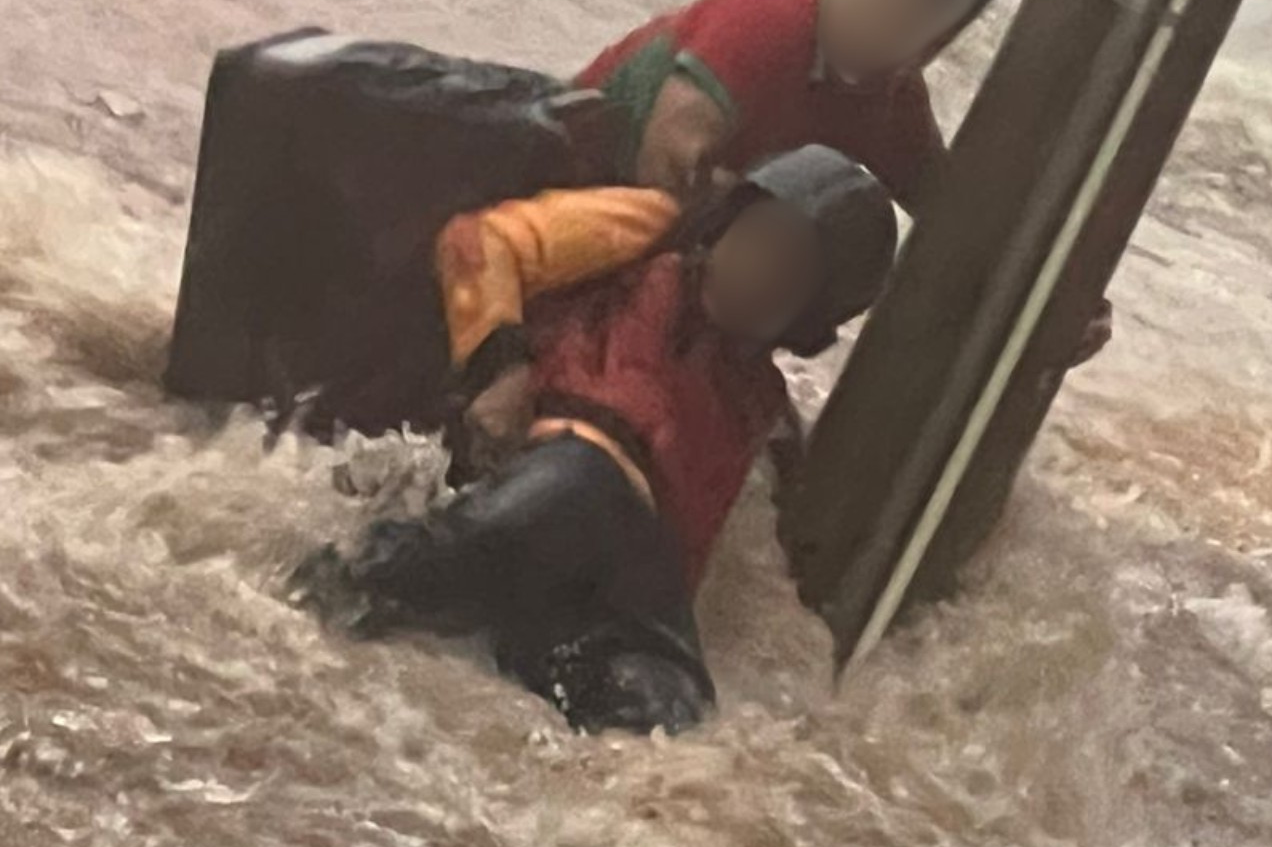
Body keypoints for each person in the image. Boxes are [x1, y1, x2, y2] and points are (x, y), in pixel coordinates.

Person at [290, 146, 900, 734]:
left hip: (628, 584)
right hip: (558, 489)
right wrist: (502, 369)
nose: (760, 274)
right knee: (546, 502)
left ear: (811, 313)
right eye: (762, 242)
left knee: (675, 718)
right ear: (728, 222)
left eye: (790, 274)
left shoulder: (767, 413)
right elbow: (482, 242)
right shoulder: (649, 230)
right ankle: (317, 590)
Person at [576, 0, 998, 213]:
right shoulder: (764, 20)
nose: (875, 19)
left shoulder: (892, 102)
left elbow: (946, 217)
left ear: (930, 49)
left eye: (904, 16)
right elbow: (666, 163)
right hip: (566, 182)